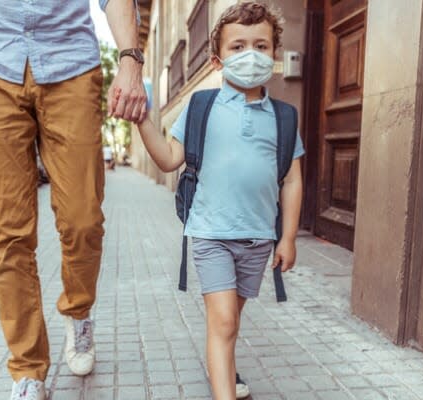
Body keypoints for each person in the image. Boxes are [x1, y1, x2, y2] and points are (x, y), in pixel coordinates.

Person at [0, 1, 147, 399]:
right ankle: (27, 371)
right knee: (10, 233)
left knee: (83, 218)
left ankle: (78, 308)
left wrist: (130, 59)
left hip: (71, 62)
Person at [135, 3, 303, 399]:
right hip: (211, 232)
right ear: (216, 60)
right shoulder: (200, 108)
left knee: (230, 320)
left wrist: (289, 237)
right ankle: (223, 389)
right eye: (238, 47)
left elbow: (292, 179)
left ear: (275, 54)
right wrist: (142, 120)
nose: (250, 55)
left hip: (259, 237)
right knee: (224, 321)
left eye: (261, 46)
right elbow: (169, 158)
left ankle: (223, 370)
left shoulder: (283, 117)